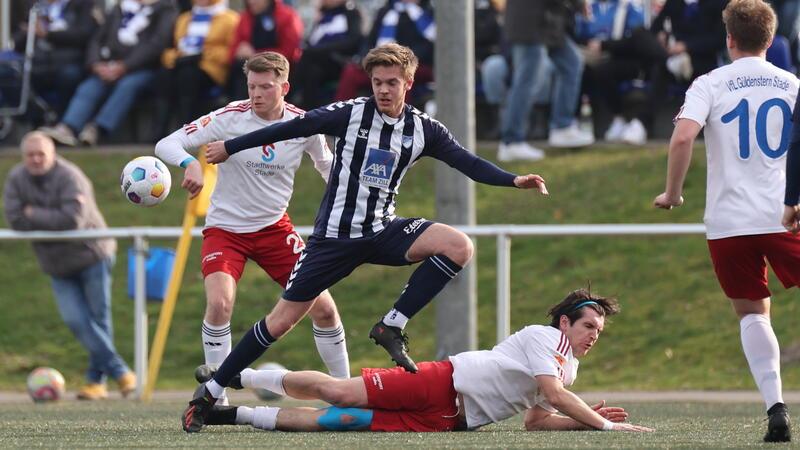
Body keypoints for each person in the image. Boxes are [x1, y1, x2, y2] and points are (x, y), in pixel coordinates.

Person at [182, 42, 549, 433]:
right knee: (280, 322)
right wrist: (230, 146)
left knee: (458, 245)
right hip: (333, 241)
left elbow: (468, 163)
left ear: (408, 82)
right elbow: (294, 126)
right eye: (377, 82)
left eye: (392, 82)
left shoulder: (423, 128)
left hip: (382, 231)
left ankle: (391, 324)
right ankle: (211, 392)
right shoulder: (351, 113)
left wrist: (514, 179)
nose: (383, 90)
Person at [155, 51, 351, 406]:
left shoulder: (303, 124)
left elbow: (329, 168)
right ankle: (215, 399)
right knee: (220, 304)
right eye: (251, 86)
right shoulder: (231, 117)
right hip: (225, 230)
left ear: (284, 87)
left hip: (275, 230)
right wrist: (190, 164)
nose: (257, 94)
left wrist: (350, 202)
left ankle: (347, 391)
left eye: (265, 87)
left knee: (324, 309)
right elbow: (166, 143)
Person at [188, 289, 653, 433]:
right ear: (566, 323)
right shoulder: (542, 338)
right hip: (444, 383)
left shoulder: (568, 367)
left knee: (340, 420)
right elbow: (552, 394)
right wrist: (604, 426)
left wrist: (583, 422)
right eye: (589, 326)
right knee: (337, 390)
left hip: (452, 420)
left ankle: (230, 415)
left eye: (599, 331)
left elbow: (536, 419)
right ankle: (231, 373)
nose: (595, 335)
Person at [654, 0, 797, 442]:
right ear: (771, 40)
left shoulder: (710, 83)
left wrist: (673, 193)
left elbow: (682, 137)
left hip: (729, 222)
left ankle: (776, 406)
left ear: (729, 38)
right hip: (785, 214)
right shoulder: (792, 83)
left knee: (753, 313)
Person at [2, 132, 136, 400]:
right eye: (31, 155)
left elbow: (72, 220)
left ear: (52, 154)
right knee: (75, 320)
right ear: (23, 157)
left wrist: (33, 213)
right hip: (57, 264)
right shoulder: (17, 178)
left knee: (99, 319)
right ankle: (120, 371)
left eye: (41, 154)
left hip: (92, 254)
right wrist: (36, 216)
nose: (36, 159)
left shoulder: (70, 176)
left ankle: (95, 382)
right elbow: (14, 219)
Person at [38, 0, 176, 147]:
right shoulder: (119, 8)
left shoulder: (166, 9)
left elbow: (156, 44)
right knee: (90, 87)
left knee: (127, 86)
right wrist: (95, 64)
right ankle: (68, 128)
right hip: (107, 65)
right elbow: (97, 38)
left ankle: (97, 130)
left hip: (143, 69)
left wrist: (125, 66)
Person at [153, 0, 239, 139]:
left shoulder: (230, 19)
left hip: (210, 70)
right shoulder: (184, 18)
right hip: (182, 64)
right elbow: (173, 48)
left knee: (188, 76)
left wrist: (203, 53)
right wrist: (174, 58)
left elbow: (230, 52)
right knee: (164, 76)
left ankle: (186, 129)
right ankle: (159, 131)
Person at [288, 0, 362, 110]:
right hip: (316, 62)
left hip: (337, 60)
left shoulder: (352, 13)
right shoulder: (323, 15)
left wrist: (321, 49)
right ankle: (307, 113)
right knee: (312, 71)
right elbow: (311, 40)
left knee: (307, 57)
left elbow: (353, 42)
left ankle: (286, 99)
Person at [227, 0, 303, 101]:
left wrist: (255, 55)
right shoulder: (244, 18)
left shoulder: (288, 16)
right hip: (246, 71)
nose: (251, 2)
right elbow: (232, 50)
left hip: (278, 70)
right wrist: (239, 51)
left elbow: (290, 51)